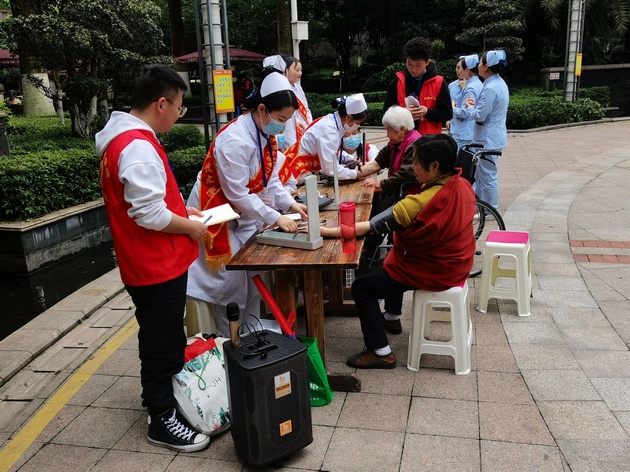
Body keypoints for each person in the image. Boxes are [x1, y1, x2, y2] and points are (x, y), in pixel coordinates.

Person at [96, 64, 210, 452]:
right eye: (179, 107)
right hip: (155, 265)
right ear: (161, 103)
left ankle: (166, 401)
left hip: (147, 261)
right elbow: (147, 213)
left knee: (164, 334)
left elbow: (150, 203)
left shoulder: (124, 140)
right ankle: (161, 418)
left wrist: (182, 211)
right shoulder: (137, 146)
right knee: (161, 340)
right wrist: (191, 227)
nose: (179, 115)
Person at [320, 134, 477, 368]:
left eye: (416, 163)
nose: (412, 168)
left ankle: (380, 351)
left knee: (362, 287)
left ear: (434, 166)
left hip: (435, 270)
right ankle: (392, 318)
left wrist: (325, 231)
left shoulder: (416, 203)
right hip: (457, 262)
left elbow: (370, 227)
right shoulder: (461, 184)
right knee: (394, 257)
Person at [186, 67, 307, 337]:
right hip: (215, 213)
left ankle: (251, 329)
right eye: (280, 119)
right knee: (228, 282)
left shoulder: (266, 135)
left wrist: (290, 204)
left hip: (241, 213)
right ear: (262, 109)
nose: (282, 126)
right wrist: (275, 217)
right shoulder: (235, 140)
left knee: (253, 277)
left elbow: (270, 180)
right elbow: (238, 194)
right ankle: (230, 338)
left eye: (287, 120)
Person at [357, 106, 421, 253]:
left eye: (388, 130)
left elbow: (406, 174)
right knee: (370, 198)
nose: (386, 134)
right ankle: (370, 244)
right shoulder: (396, 142)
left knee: (374, 206)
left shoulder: (414, 144)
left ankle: (369, 246)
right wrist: (352, 173)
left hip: (406, 193)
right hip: (396, 190)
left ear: (402, 129)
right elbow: (377, 163)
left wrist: (381, 183)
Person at [283, 93, 369, 182]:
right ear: (348, 117)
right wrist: (355, 174)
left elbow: (331, 151)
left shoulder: (332, 121)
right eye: (358, 123)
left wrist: (350, 159)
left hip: (301, 167)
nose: (357, 126)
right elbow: (331, 169)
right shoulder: (329, 132)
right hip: (296, 172)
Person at [464, 50, 509, 210]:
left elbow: (480, 116)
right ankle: (483, 207)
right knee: (484, 175)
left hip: (487, 139)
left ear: (487, 66)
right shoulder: (498, 83)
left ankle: (490, 209)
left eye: (481, 62)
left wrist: (469, 106)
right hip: (492, 137)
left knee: (487, 176)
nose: (478, 65)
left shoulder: (490, 87)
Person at [383, 37, 452, 135]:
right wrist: (402, 112)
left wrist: (427, 112)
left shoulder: (439, 82)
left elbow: (447, 114)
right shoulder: (398, 81)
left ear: (427, 62)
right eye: (409, 64)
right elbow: (386, 111)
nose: (413, 69)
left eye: (418, 65)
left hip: (429, 140)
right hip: (402, 139)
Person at [281, 55, 313, 151]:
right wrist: (297, 122)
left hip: (304, 127)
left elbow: (306, 109)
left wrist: (309, 124)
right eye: (296, 70)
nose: (300, 73)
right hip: (290, 127)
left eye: (300, 70)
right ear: (285, 70)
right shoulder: (282, 88)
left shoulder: (299, 88)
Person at [446, 57, 467, 148]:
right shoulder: (452, 86)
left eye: (460, 68)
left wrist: (464, 88)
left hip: (465, 130)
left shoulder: (473, 86)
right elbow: (448, 104)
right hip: (452, 126)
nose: (458, 70)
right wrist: (448, 119)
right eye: (457, 67)